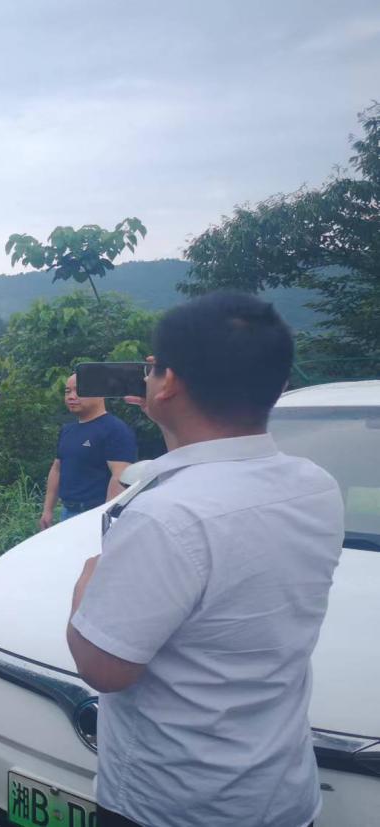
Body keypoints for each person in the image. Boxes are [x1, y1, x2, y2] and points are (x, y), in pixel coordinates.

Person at [67, 292, 343, 827]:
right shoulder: (315, 486)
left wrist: (87, 584)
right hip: (282, 792)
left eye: (153, 369)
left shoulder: (167, 516)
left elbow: (103, 669)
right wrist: (170, 412)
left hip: (172, 804)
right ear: (279, 384)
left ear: (169, 382)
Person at [38, 373, 137, 531]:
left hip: (95, 516)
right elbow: (57, 469)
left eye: (79, 391)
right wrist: (48, 509)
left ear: (100, 393)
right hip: (67, 513)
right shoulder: (67, 430)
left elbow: (120, 476)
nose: (71, 396)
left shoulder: (115, 429)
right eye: (67, 391)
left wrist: (105, 519)